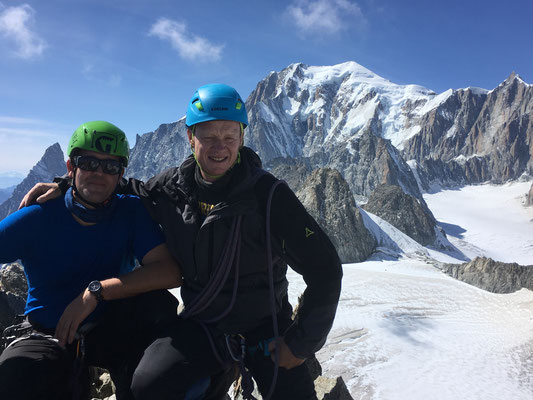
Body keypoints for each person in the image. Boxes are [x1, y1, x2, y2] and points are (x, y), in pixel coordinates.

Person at [20, 84, 343, 400]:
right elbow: (124, 187)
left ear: (242, 139)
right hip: (204, 323)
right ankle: (215, 383)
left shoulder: (270, 196)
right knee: (146, 387)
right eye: (208, 137)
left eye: (229, 137)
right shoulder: (172, 187)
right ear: (191, 138)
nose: (220, 147)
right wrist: (68, 185)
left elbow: (325, 268)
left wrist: (299, 344)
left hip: (266, 326)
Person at [1, 121, 182, 400]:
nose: (99, 174)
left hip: (109, 325)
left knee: (157, 306)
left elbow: (169, 271)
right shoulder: (38, 216)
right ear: (71, 167)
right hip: (48, 332)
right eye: (88, 163)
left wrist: (96, 292)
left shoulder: (130, 211)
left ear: (121, 173)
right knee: (15, 381)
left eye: (110, 167)